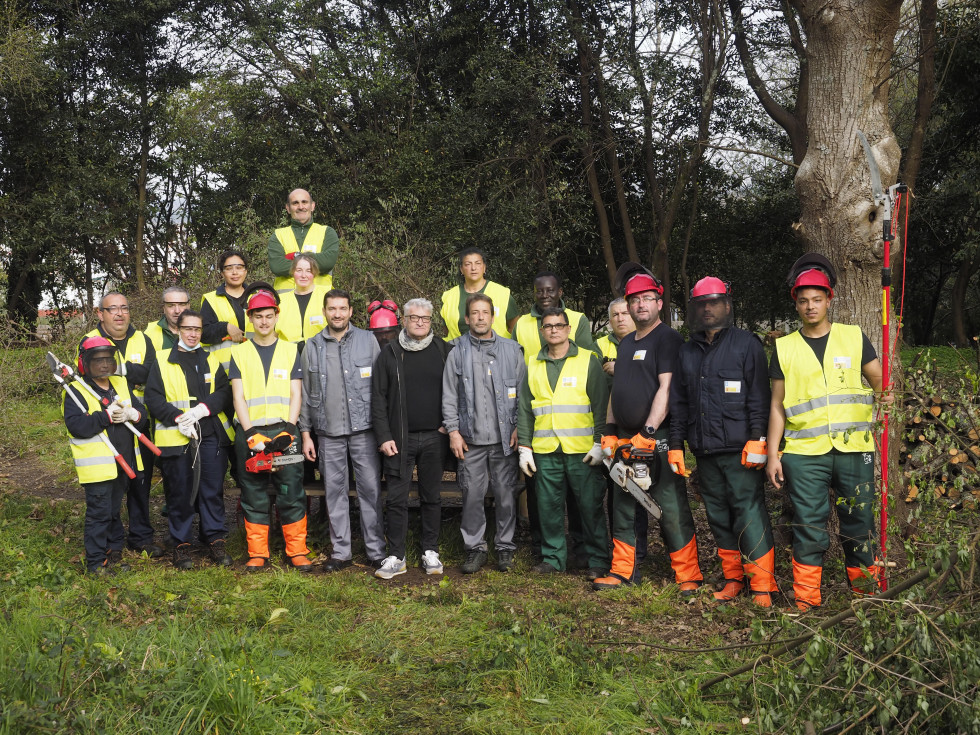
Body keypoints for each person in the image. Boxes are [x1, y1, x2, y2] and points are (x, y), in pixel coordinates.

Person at [767, 262, 889, 610]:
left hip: (855, 449)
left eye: (817, 299)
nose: (810, 306)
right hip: (804, 454)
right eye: (803, 300)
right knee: (808, 525)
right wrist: (774, 455)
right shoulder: (784, 348)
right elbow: (776, 406)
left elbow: (881, 386)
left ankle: (867, 597)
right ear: (796, 304)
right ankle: (807, 602)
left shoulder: (853, 336)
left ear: (828, 300)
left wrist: (885, 409)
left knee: (860, 522)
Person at [595, 263, 703, 592]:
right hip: (626, 439)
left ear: (659, 301)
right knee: (624, 506)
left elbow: (667, 389)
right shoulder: (626, 343)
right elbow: (619, 390)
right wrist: (611, 430)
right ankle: (622, 572)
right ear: (627, 305)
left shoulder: (668, 339)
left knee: (670, 506)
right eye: (634, 299)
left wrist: (650, 432)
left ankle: (689, 576)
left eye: (646, 298)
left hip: (656, 439)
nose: (640, 304)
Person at [668, 277, 776, 607]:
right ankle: (734, 579)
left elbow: (760, 397)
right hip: (705, 450)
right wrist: (676, 444)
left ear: (727, 305)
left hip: (742, 450)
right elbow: (679, 402)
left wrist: (759, 440)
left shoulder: (747, 344)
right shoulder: (686, 351)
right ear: (694, 309)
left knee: (749, 513)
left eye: (713, 302)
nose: (708, 308)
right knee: (718, 514)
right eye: (701, 304)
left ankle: (762, 585)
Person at [512, 271, 598, 565]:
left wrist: (602, 441)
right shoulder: (532, 366)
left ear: (568, 328)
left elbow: (600, 405)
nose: (553, 330)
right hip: (546, 448)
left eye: (559, 326)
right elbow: (525, 407)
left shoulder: (588, 361)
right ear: (541, 330)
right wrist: (524, 446)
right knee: (547, 507)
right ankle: (552, 558)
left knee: (588, 507)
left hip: (582, 449)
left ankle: (594, 558)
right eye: (547, 326)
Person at [300, 289, 385, 571]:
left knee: (370, 490)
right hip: (328, 432)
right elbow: (306, 392)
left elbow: (379, 389)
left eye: (342, 308)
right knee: (334, 492)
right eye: (332, 308)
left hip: (365, 431)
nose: (337, 313)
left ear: (351, 311)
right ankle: (341, 552)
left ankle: (375, 550)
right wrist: (306, 433)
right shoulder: (311, 346)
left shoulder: (367, 340)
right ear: (325, 312)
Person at [229, 285, 311, 572]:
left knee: (290, 490)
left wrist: (291, 427)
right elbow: (237, 396)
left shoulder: (291, 351)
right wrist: (250, 433)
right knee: (254, 492)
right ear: (250, 318)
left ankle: (297, 550)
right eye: (258, 316)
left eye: (268, 315)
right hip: (251, 434)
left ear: (277, 316)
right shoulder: (239, 353)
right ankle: (257, 553)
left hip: (284, 434)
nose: (264, 321)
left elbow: (295, 393)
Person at [145, 310, 235, 570]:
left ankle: (214, 538)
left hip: (210, 434)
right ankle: (181, 542)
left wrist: (202, 410)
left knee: (211, 489)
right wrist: (178, 418)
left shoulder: (212, 359)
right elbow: (153, 398)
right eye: (188, 329)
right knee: (180, 491)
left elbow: (223, 392)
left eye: (197, 329)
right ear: (179, 330)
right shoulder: (162, 360)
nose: (193, 334)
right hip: (176, 437)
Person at [372, 298, 454, 579]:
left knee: (432, 496)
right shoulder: (390, 353)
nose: (420, 322)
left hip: (435, 437)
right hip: (399, 439)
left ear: (431, 321)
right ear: (403, 320)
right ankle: (396, 555)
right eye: (414, 317)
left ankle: (430, 551)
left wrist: (449, 425)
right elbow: (378, 399)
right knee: (396, 499)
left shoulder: (444, 350)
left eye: (425, 318)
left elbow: (459, 391)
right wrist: (383, 436)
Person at [443, 294, 525, 574]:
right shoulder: (456, 351)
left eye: (485, 312)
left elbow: (523, 396)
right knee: (472, 497)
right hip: (470, 441)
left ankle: (504, 548)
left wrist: (518, 428)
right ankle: (475, 548)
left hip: (505, 440)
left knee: (505, 496)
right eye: (474, 313)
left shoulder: (513, 351)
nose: (480, 317)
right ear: (467, 319)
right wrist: (453, 431)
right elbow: (449, 396)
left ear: (493, 316)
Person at [80, 292, 161, 558]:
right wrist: (130, 372)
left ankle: (141, 536)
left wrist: (117, 368)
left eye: (124, 308)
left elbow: (150, 373)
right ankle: (111, 542)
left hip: (139, 418)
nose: (119, 314)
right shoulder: (90, 340)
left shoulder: (142, 339)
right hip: (106, 426)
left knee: (140, 481)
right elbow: (87, 378)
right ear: (100, 313)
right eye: (112, 308)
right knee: (111, 485)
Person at [63, 337, 148, 574]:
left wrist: (133, 414)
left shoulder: (121, 384)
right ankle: (95, 563)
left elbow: (142, 416)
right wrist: (106, 417)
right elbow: (77, 426)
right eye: (97, 360)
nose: (103, 365)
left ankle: (113, 552)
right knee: (99, 516)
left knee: (113, 511)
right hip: (98, 468)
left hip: (124, 462)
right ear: (85, 363)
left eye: (108, 360)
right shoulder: (76, 390)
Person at [268, 188, 339, 294]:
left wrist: (295, 256)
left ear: (312, 206)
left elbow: (327, 262)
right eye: (295, 203)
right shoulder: (278, 235)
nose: (301, 207)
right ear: (288, 208)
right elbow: (277, 267)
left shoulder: (327, 232)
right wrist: (313, 259)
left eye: (304, 202)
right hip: (286, 304)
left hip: (320, 302)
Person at [439, 247, 518, 340]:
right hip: (458, 351)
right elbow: (447, 330)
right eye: (468, 264)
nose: (473, 268)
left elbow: (515, 328)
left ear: (484, 267)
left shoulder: (502, 294)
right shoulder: (449, 296)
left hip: (496, 352)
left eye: (478, 263)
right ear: (461, 269)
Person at [201, 249, 252, 372]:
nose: (235, 272)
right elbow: (203, 333)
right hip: (223, 372)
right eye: (229, 268)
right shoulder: (211, 299)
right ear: (222, 273)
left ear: (246, 271)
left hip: (254, 368)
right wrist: (225, 327)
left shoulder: (257, 297)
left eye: (239, 267)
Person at [275, 254, 330, 353]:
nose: (303, 275)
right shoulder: (280, 301)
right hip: (288, 356)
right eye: (299, 270)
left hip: (321, 354)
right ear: (293, 272)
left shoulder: (327, 296)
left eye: (308, 271)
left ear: (314, 273)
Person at [596, 297, 634, 379]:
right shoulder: (599, 345)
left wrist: (620, 369)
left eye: (625, 313)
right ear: (610, 322)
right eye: (615, 315)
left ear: (634, 316)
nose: (620, 319)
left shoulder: (648, 340)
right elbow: (595, 377)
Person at [145, 286, 191, 352]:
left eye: (181, 304)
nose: (177, 311)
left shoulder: (203, 331)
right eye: (171, 305)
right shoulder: (149, 333)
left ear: (188, 306)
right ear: (164, 308)